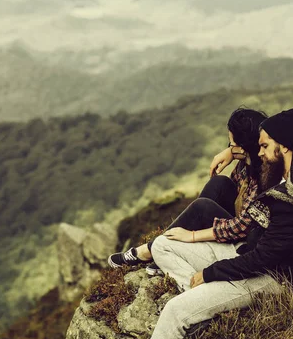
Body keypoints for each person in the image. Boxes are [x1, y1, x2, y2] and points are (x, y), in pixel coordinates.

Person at [119, 108, 293, 339]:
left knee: (175, 311)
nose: (261, 151)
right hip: (246, 253)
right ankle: (199, 300)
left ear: (285, 147)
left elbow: (263, 260)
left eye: (264, 146)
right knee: (163, 245)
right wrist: (232, 152)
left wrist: (210, 273)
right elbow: (254, 238)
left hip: (271, 277)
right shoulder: (285, 168)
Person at [108, 107, 268, 276]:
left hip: (249, 239)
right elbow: (235, 189)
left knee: (202, 207)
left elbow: (243, 227)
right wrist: (231, 152)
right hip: (240, 217)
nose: (230, 148)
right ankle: (163, 247)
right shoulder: (250, 159)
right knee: (219, 183)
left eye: (233, 144)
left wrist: (193, 235)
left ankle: (151, 250)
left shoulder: (265, 175)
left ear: (244, 147)